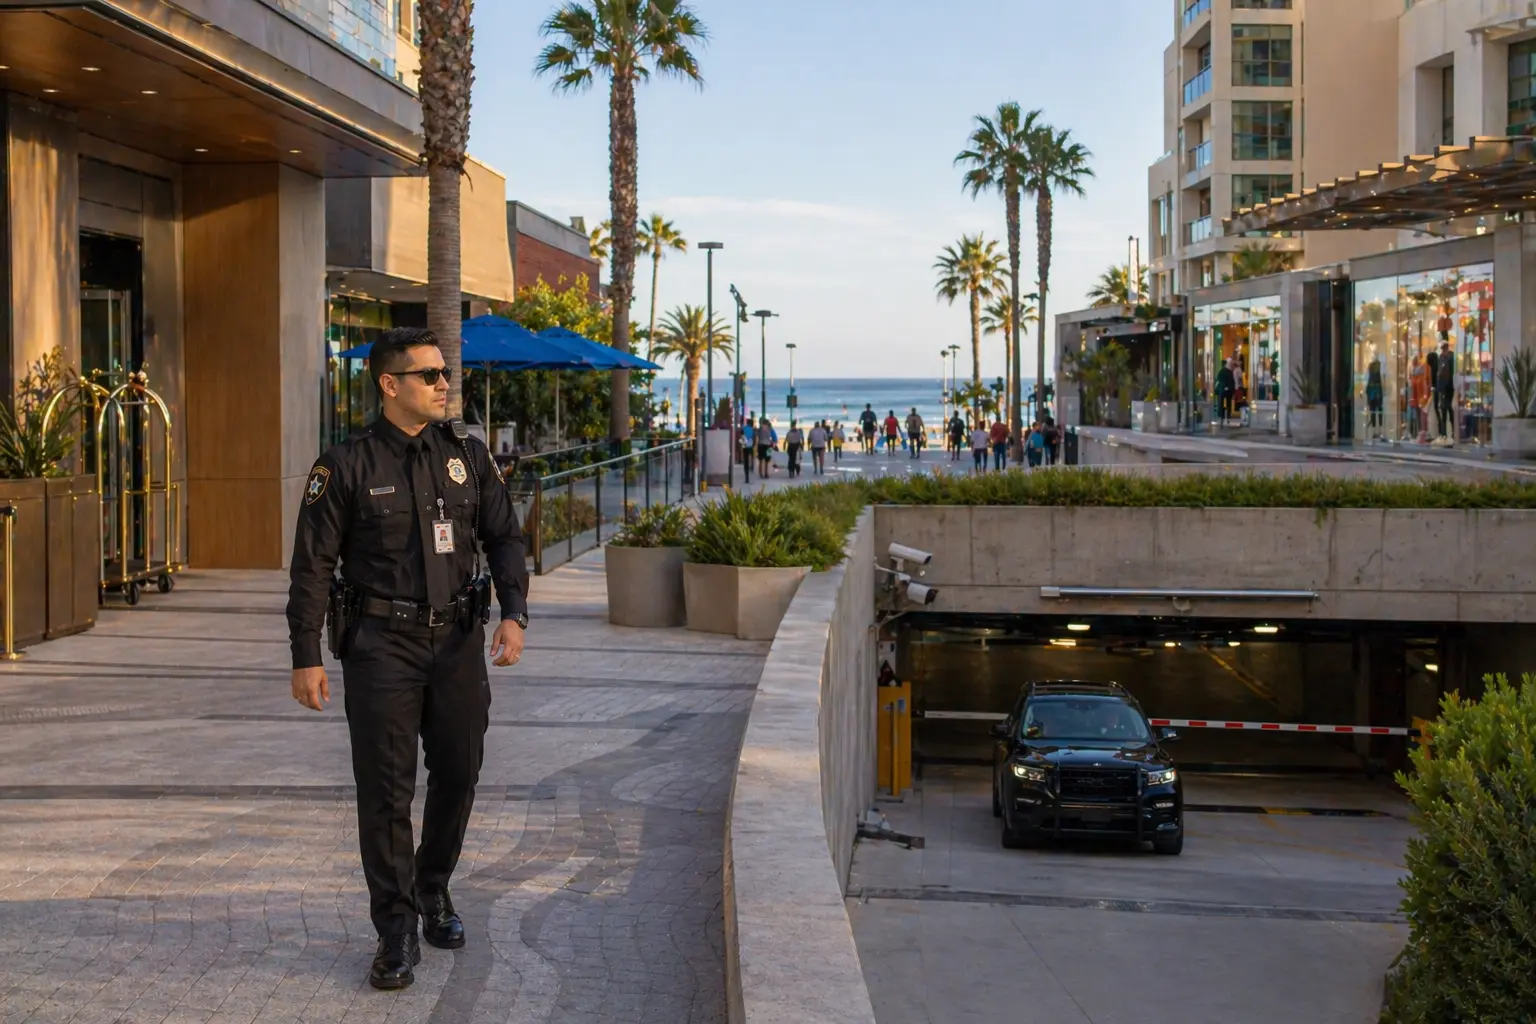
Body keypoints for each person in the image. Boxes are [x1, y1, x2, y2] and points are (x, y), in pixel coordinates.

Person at [286, 327, 529, 991]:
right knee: (387, 792)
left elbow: (504, 536)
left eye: (444, 372)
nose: (443, 382)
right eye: (428, 374)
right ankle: (395, 931)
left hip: (455, 644)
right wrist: (305, 654)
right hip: (380, 648)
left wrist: (514, 612)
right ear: (390, 384)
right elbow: (311, 567)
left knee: (460, 770)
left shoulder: (468, 457)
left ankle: (433, 888)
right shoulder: (346, 465)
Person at [1434, 341, 1455, 441]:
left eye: (1444, 348)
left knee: (1449, 409)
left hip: (1449, 387)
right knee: (1444, 410)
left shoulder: (1451, 357)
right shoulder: (1441, 357)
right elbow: (1439, 373)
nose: (1444, 350)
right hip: (1444, 387)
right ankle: (1444, 433)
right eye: (1443, 349)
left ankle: (1452, 432)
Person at [1409, 355, 1430, 442]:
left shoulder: (1418, 372)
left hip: (1420, 398)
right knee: (1420, 416)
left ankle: (1422, 433)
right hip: (1419, 398)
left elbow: (1417, 386)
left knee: (1421, 416)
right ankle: (1422, 433)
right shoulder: (1416, 373)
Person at [1214, 357, 1236, 425]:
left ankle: (1222, 416)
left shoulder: (1222, 371)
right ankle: (1226, 416)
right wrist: (1231, 389)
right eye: (1230, 363)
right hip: (1226, 390)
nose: (1231, 365)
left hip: (1222, 389)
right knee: (1227, 403)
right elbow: (1231, 382)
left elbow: (1218, 380)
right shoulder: (1229, 372)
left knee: (1221, 402)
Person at [739, 417, 754, 484]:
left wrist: (742, 445)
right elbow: (754, 438)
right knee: (751, 457)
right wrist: (753, 444)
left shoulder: (744, 429)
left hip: (745, 446)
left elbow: (741, 437)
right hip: (750, 446)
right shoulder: (752, 430)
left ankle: (747, 477)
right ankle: (752, 466)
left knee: (746, 461)